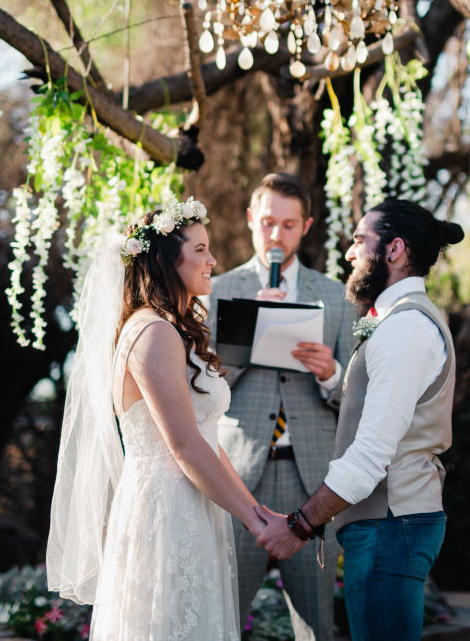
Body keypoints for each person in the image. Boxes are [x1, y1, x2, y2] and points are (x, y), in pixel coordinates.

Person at [46, 199, 266, 640]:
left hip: (191, 501)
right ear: (167, 258)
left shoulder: (172, 331)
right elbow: (184, 446)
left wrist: (258, 512)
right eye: (201, 249)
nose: (213, 261)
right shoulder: (153, 333)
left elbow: (208, 441)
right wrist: (256, 522)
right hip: (167, 511)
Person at [254, 198, 464, 641]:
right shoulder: (394, 321)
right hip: (386, 524)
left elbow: (370, 457)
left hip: (391, 524)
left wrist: (299, 525)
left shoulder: (406, 328)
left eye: (359, 240)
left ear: (394, 250)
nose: (349, 253)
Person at [207, 174, 356, 641]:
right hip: (238, 478)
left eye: (288, 225)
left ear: (307, 226)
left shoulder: (335, 294)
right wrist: (246, 335)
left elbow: (355, 398)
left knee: (317, 625)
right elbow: (202, 390)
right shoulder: (217, 290)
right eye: (268, 222)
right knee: (224, 617)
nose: (276, 235)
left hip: (312, 479)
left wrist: (331, 373)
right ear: (251, 220)